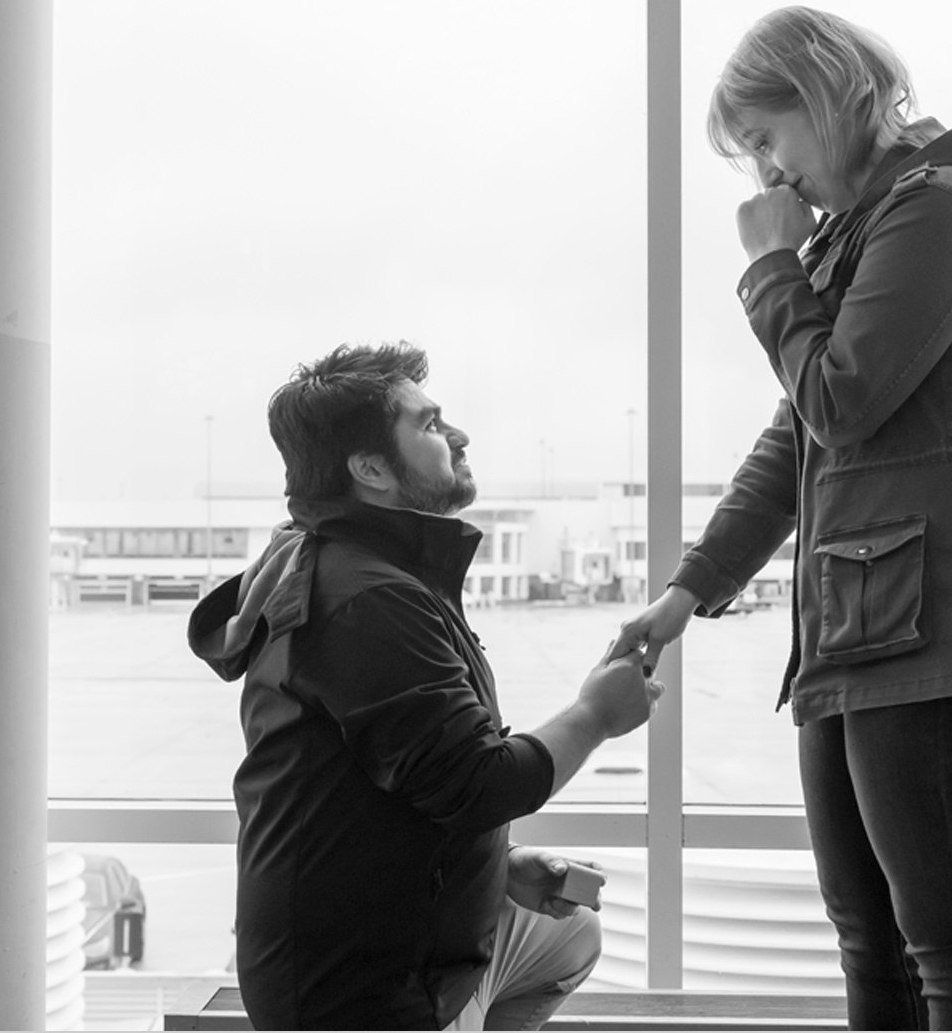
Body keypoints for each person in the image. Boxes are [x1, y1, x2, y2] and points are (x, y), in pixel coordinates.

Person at [615, 6, 952, 1030]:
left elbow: (840, 397)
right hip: (868, 623)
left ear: (824, 95)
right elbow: (801, 441)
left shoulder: (942, 210)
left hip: (946, 623)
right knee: (877, 947)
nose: (768, 178)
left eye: (768, 140)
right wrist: (688, 592)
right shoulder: (870, 230)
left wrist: (770, 269)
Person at [190, 342, 664, 1030]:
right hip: (359, 997)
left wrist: (490, 873)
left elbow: (398, 784)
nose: (459, 436)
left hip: (392, 947)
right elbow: (479, 783)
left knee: (569, 933)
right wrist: (596, 714)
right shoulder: (365, 600)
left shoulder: (369, 574)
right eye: (432, 425)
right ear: (372, 470)